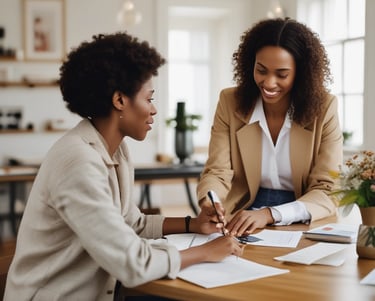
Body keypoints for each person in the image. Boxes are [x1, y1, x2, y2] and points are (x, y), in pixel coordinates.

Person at [4, 32, 243, 301]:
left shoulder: (116, 149)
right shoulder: (78, 161)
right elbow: (132, 264)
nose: (153, 110)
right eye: (149, 98)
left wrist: (194, 224)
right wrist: (204, 252)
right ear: (119, 100)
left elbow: (130, 222)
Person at [197, 18, 343, 237]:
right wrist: (211, 200)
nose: (269, 83)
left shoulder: (324, 108)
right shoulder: (230, 102)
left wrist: (269, 214)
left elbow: (327, 187)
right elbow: (217, 170)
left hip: (302, 214)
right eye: (261, 70)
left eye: (282, 74)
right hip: (242, 211)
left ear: (300, 74)